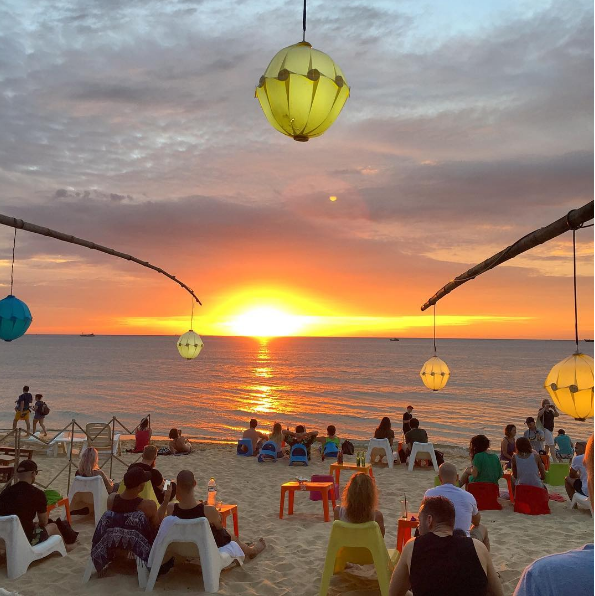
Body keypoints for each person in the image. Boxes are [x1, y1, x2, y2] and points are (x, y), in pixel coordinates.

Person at [513, 435, 594, 596]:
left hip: (521, 490)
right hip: (537, 490)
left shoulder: (541, 577)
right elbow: (543, 476)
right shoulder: (536, 456)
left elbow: (515, 475)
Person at [388, 496, 503, 596]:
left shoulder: (412, 547)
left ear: (429, 520)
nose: (418, 526)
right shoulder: (479, 547)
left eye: (419, 521)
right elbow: (498, 593)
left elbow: (394, 593)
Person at [166, 470, 265, 557]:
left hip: (182, 547)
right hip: (205, 547)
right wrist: (218, 517)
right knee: (228, 534)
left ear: (178, 486)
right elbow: (220, 527)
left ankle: (247, 548)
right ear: (195, 483)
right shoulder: (208, 511)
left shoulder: (171, 508)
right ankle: (252, 551)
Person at [0, 460, 76, 549]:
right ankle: (65, 547)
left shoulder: (5, 492)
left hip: (5, 536)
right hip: (26, 538)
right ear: (33, 473)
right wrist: (37, 524)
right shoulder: (37, 494)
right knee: (53, 526)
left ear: (18, 475)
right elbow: (43, 522)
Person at [424, 462, 490, 549]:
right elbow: (477, 521)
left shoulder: (429, 494)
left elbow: (424, 518)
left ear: (439, 478)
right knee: (482, 528)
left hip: (437, 543)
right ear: (457, 477)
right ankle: (484, 557)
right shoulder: (468, 496)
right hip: (463, 545)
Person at [70, 447, 118, 515]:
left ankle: (87, 510)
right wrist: (110, 482)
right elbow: (110, 489)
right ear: (95, 459)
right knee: (117, 486)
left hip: (85, 498)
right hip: (97, 497)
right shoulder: (99, 473)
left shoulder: (78, 473)